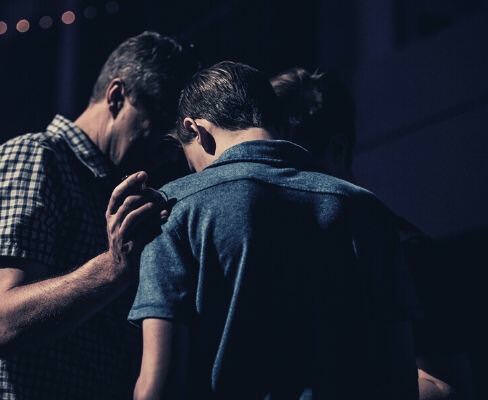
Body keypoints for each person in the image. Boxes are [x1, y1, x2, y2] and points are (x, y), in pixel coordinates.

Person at [129, 61, 418, 399]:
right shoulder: (365, 209)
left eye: (190, 160)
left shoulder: (172, 209)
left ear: (196, 130)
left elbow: (157, 386)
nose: (194, 172)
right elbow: (400, 377)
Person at [0, 31, 198, 399]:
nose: (168, 154)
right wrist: (113, 268)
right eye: (158, 130)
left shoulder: (102, 186)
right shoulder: (33, 158)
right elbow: (4, 323)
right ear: (117, 97)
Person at [270, 67, 474, 400]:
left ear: (336, 151)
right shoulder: (283, 247)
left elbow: (447, 386)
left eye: (290, 159)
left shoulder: (407, 250)